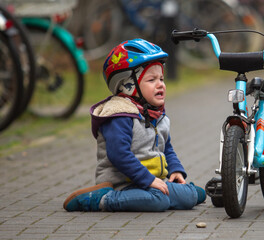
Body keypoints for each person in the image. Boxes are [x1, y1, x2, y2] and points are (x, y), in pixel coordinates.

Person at [63, 39, 206, 212]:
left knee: (190, 197)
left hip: (149, 183)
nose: (160, 84)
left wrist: (176, 170)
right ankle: (100, 200)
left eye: (161, 78)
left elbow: (166, 147)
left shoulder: (156, 114)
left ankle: (183, 193)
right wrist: (149, 180)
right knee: (159, 201)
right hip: (122, 185)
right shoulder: (119, 114)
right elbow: (119, 154)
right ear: (127, 86)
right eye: (151, 79)